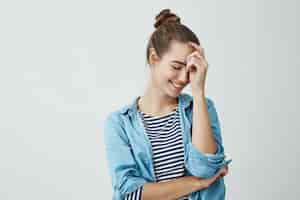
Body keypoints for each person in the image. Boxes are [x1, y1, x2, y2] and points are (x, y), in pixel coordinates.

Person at [103, 8, 232, 200]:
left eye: (190, 70)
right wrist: (197, 183)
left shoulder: (201, 108)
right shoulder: (119, 123)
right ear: (154, 58)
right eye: (176, 67)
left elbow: (205, 169)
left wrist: (198, 91)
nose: (184, 78)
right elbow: (130, 192)